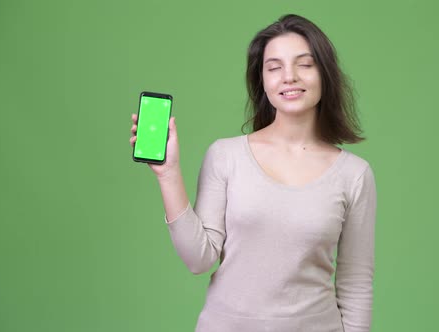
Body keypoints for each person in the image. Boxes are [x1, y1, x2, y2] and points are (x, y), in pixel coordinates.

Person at [130, 14, 377, 332]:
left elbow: (356, 283)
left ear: (325, 74)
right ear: (262, 80)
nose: (289, 77)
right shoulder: (225, 156)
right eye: (274, 67)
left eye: (304, 64)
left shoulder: (355, 175)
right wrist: (168, 175)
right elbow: (199, 259)